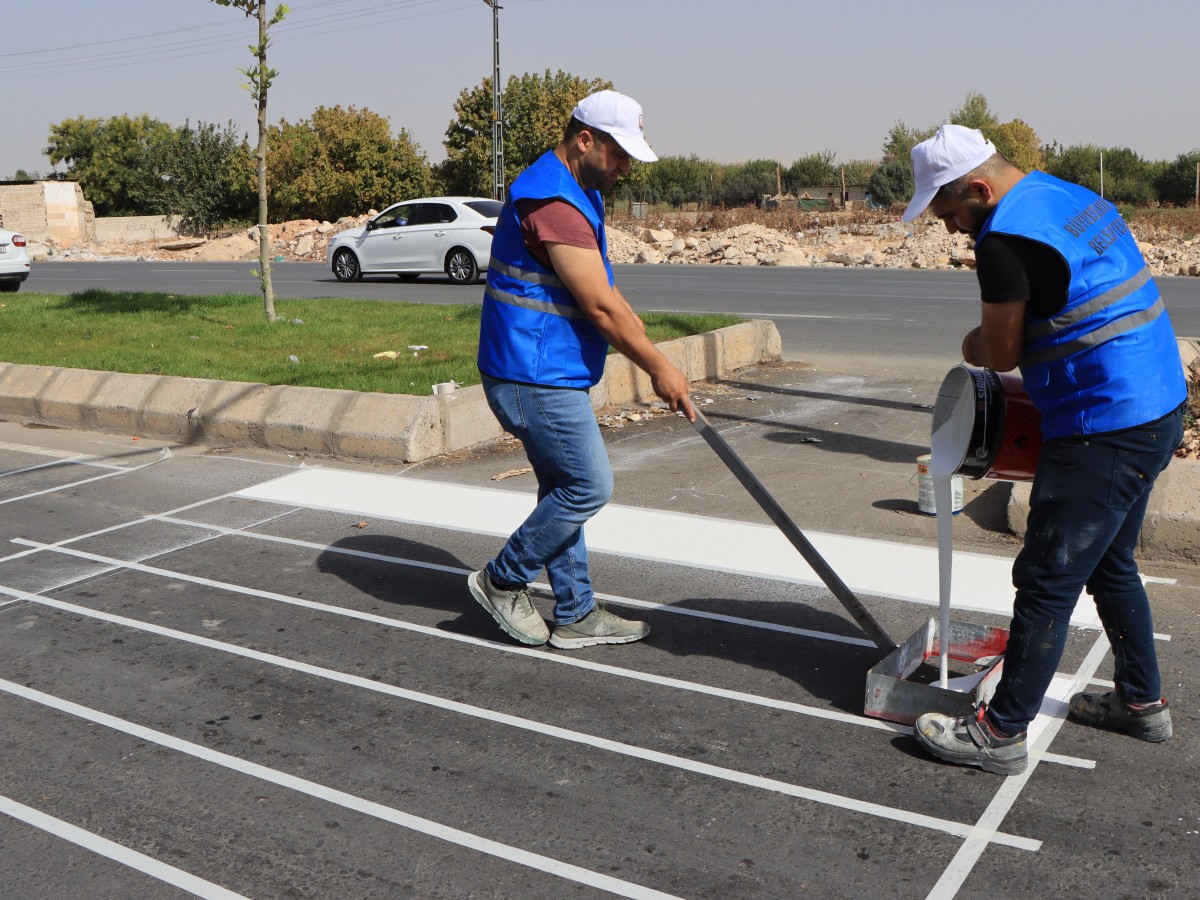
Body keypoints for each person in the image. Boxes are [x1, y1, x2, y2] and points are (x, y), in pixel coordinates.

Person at [903, 125, 1187, 775]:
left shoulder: (1003, 241)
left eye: (950, 214)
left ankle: (1000, 733)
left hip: (1104, 426)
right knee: (1110, 562)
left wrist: (973, 345)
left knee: (1046, 578)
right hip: (1159, 402)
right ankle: (1142, 704)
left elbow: (1000, 354)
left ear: (979, 188)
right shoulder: (1064, 195)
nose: (951, 231)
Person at [467, 90, 696, 650]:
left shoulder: (573, 187)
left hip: (544, 371)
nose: (623, 168)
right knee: (589, 485)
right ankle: (502, 580)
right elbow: (597, 307)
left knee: (563, 489)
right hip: (532, 376)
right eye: (618, 155)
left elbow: (604, 296)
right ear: (585, 139)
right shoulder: (554, 203)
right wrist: (661, 367)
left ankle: (575, 613)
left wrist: (637, 333)